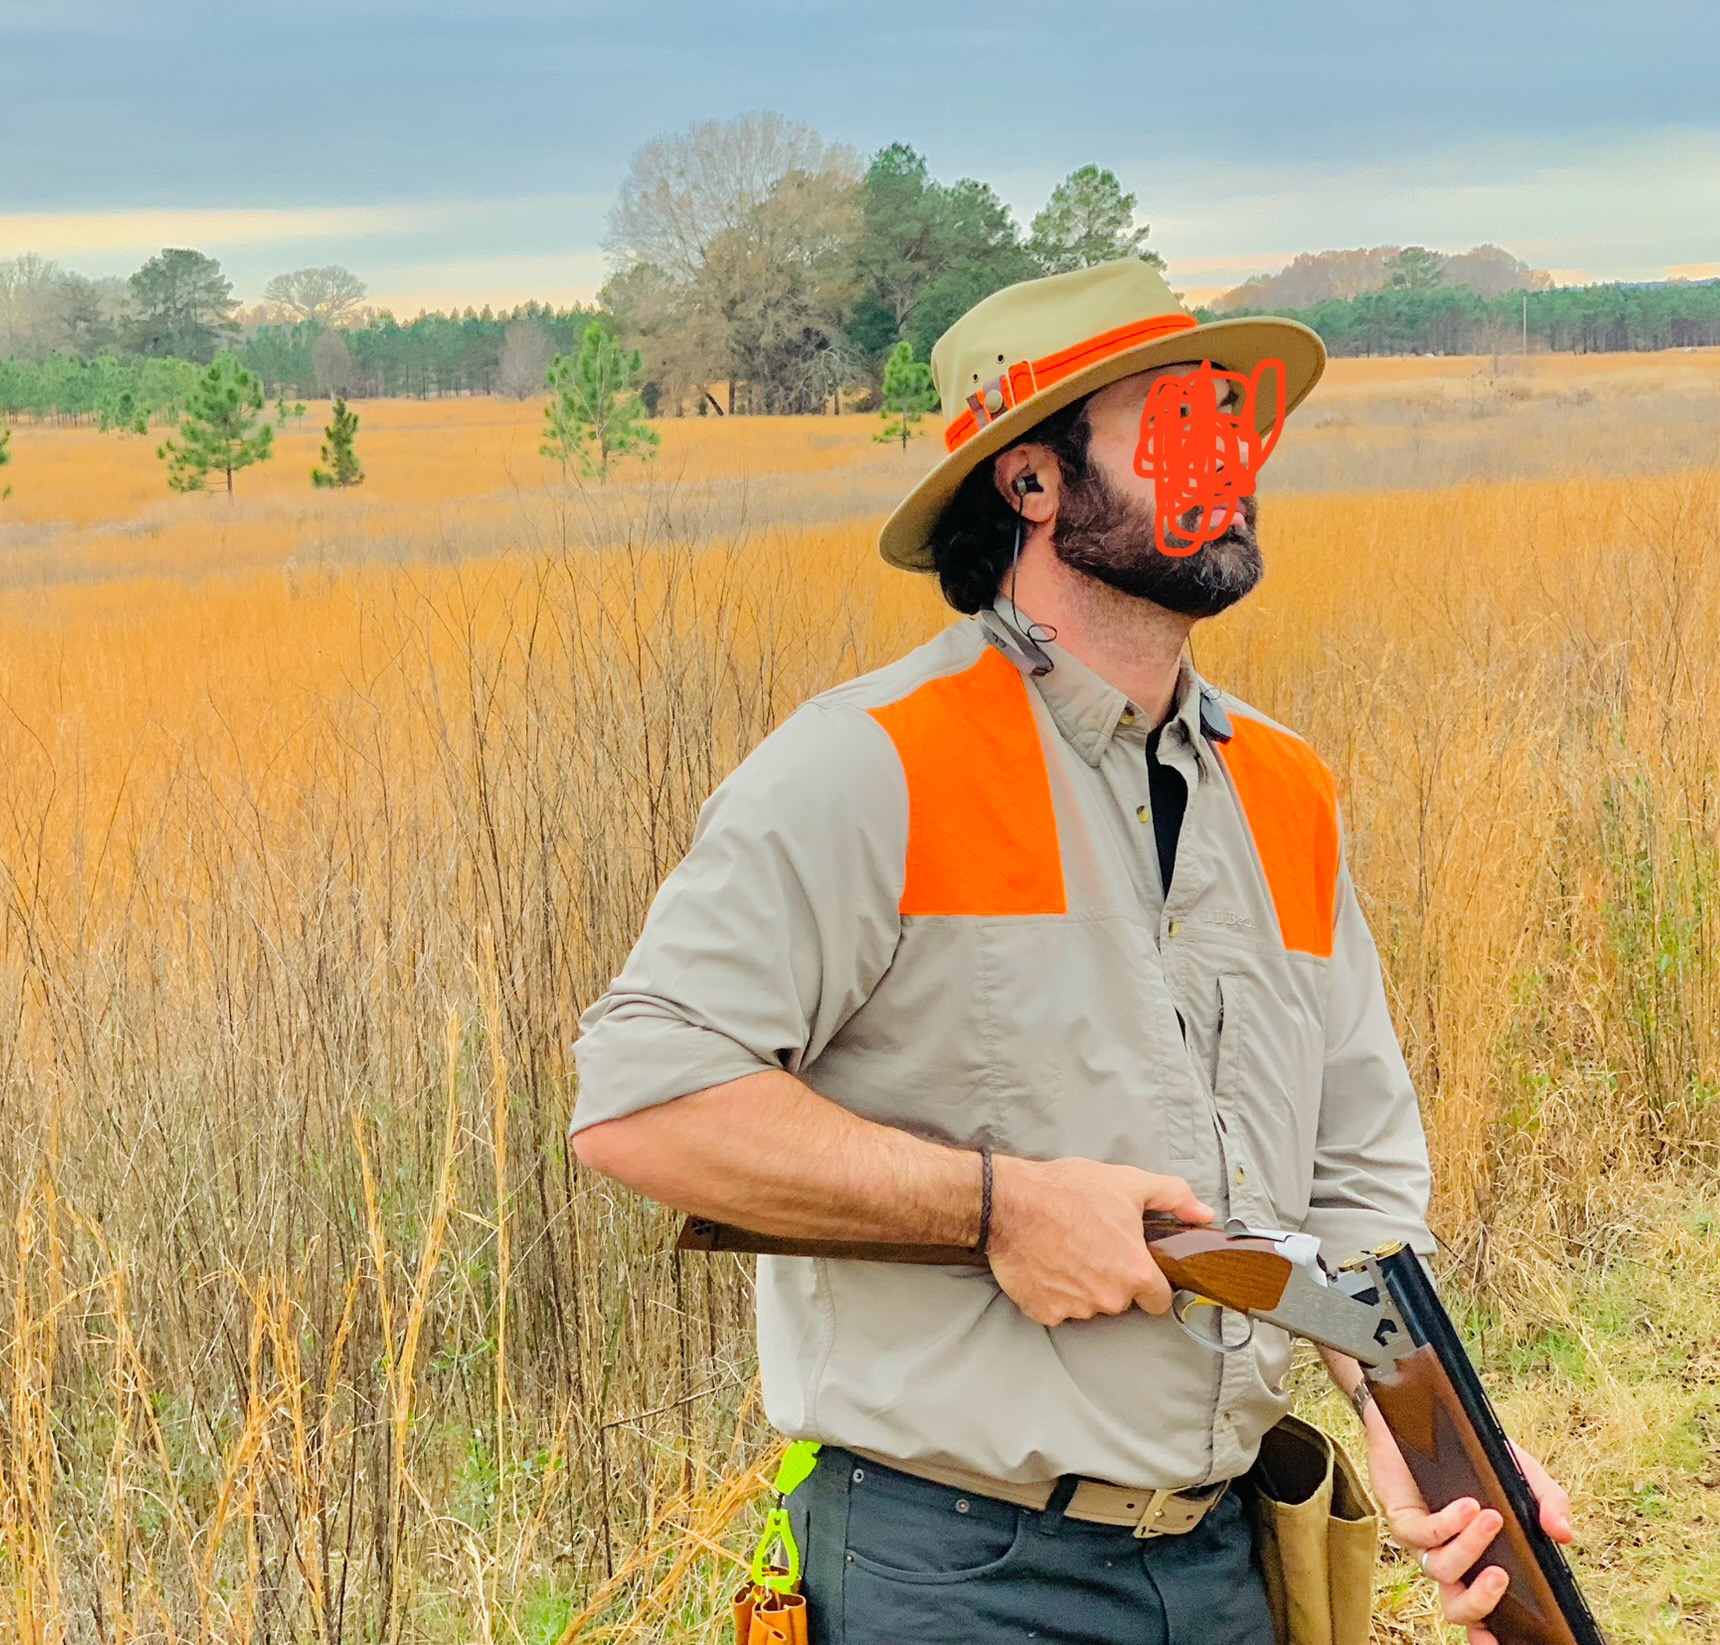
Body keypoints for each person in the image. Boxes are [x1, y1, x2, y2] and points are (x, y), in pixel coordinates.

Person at [567, 260, 1573, 1644]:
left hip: (1225, 1559)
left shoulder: (1284, 788)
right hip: (952, 1572)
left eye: (1236, 422)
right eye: (1177, 424)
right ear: (1032, 480)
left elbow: (1354, 1182)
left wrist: (1422, 1431)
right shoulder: (870, 765)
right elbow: (641, 1101)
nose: (1228, 463)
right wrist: (997, 1207)